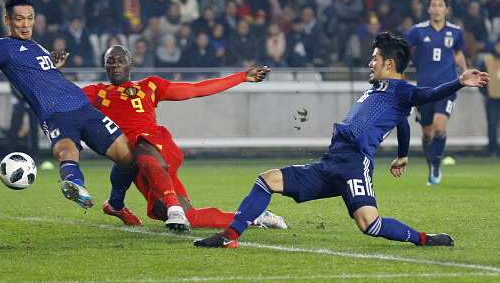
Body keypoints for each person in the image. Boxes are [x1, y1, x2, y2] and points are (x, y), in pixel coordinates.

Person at [193, 32, 489, 248]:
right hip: (331, 162)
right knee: (266, 179)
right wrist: (403, 154)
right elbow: (401, 121)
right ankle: (228, 237)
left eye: (374, 59)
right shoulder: (383, 91)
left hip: (353, 165)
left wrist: (459, 83)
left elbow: (424, 95)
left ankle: (426, 239)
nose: (369, 64)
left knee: (369, 225)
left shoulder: (402, 89)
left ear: (388, 63)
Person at [0, 0, 136, 211]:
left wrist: (55, 67)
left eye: (30, 18)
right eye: (20, 19)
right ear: (8, 20)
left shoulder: (38, 47)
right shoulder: (2, 47)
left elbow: (45, 78)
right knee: (67, 151)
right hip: (55, 112)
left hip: (82, 105)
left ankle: (115, 204)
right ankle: (75, 184)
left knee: (129, 161)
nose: (26, 24)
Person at [79, 45, 287, 231]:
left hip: (155, 146)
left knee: (142, 152)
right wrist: (51, 70)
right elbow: (64, 97)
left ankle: (161, 207)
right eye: (110, 61)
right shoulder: (97, 92)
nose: (116, 65)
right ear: (104, 66)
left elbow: (196, 89)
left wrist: (241, 77)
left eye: (121, 60)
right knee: (192, 217)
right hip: (137, 163)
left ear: (131, 65)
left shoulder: (149, 85)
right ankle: (256, 217)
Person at [405, 0, 468, 186]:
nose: (437, 8)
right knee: (427, 134)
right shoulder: (417, 30)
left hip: (448, 87)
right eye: (434, 5)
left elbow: (458, 54)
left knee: (439, 127)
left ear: (446, 9)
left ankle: (437, 164)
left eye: (441, 5)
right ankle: (430, 163)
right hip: (424, 90)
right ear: (429, 9)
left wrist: (465, 73)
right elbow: (405, 50)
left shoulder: (456, 32)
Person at [477, 40, 500, 156]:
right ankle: (493, 149)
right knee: (492, 124)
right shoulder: (487, 60)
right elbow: (481, 78)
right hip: (492, 99)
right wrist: (486, 93)